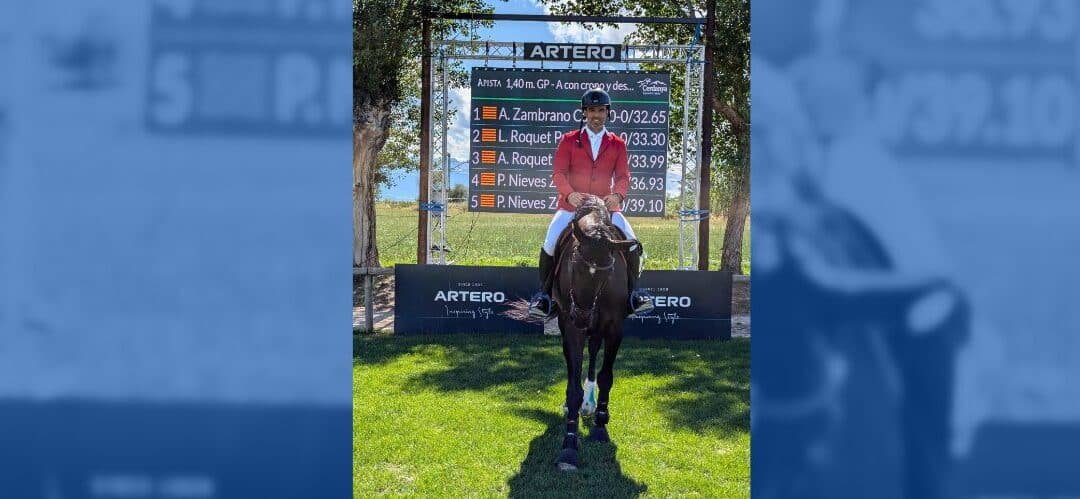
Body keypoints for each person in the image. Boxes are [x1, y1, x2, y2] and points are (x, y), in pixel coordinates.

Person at [528, 88, 653, 319]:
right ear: (584, 113)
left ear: (608, 113)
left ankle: (635, 294)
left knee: (632, 241)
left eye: (601, 110)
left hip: (606, 206)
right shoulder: (568, 140)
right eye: (592, 110)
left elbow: (624, 176)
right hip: (572, 206)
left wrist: (618, 196)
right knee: (551, 239)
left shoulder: (617, 143)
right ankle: (543, 296)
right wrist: (569, 194)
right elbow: (558, 173)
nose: (596, 115)